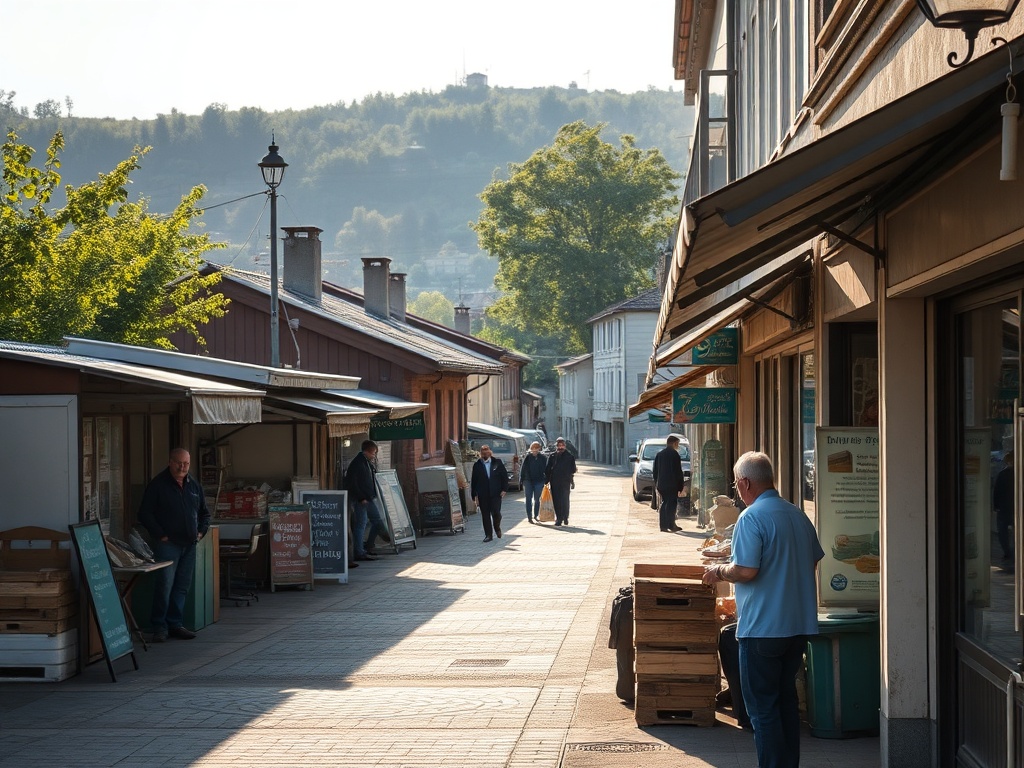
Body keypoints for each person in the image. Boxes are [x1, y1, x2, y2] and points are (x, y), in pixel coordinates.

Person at [703, 451, 824, 768]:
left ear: (744, 482)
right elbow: (812, 561)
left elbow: (745, 570)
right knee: (785, 702)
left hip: (762, 630)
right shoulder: (797, 514)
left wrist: (718, 572)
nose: (736, 490)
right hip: (798, 626)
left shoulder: (751, 517)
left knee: (763, 710)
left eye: (735, 483)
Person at [138, 447, 210, 642]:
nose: (182, 467)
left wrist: (201, 531)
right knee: (165, 585)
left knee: (181, 586)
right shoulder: (158, 485)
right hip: (168, 544)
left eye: (186, 463)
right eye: (179, 463)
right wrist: (160, 535)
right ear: (170, 462)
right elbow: (145, 513)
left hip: (190, 543)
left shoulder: (193, 484)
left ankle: (175, 624)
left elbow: (205, 512)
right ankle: (159, 626)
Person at [345, 440, 389, 562]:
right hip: (362, 499)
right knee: (362, 524)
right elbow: (352, 483)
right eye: (373, 453)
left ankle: (368, 545)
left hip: (368, 497)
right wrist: (361, 498)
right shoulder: (358, 463)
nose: (374, 455)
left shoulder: (366, 462)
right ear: (367, 451)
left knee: (375, 521)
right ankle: (359, 551)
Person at [471, 444, 509, 542]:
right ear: (481, 454)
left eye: (487, 452)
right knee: (485, 515)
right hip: (483, 494)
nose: (485, 454)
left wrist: (504, 489)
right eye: (483, 452)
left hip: (496, 493)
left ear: (490, 452)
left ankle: (497, 528)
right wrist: (474, 495)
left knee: (496, 513)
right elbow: (474, 480)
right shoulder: (477, 465)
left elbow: (504, 476)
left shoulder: (497, 462)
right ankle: (488, 535)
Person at [652, 435, 686, 532]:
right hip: (672, 484)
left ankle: (664, 525)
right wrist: (680, 486)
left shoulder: (660, 454)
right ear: (674, 443)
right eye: (677, 444)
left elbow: (655, 471)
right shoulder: (674, 454)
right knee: (671, 504)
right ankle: (671, 525)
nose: (678, 446)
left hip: (661, 484)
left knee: (665, 503)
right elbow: (678, 472)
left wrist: (656, 483)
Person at [545, 436, 577, 526]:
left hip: (565, 481)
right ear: (556, 446)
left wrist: (571, 481)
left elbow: (573, 470)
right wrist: (546, 480)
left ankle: (565, 517)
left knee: (565, 500)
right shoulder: (552, 456)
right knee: (556, 500)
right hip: (554, 481)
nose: (560, 447)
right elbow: (547, 469)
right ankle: (559, 518)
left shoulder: (569, 456)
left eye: (562, 445)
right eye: (559, 446)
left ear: (565, 446)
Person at [993, 450, 1015, 570]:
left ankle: (1007, 551)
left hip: (1003, 508)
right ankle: (1015, 550)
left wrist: (996, 506)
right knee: (1016, 530)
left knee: (1002, 532)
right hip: (1014, 509)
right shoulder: (1018, 473)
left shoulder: (1002, 474)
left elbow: (996, 491)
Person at [520, 441, 547, 523]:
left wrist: (546, 480)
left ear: (539, 449)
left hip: (539, 481)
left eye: (536, 448)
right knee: (528, 499)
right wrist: (522, 480)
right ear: (531, 449)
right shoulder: (528, 458)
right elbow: (523, 469)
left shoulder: (543, 458)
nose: (535, 450)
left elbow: (546, 469)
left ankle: (536, 515)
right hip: (528, 481)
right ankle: (529, 516)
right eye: (533, 448)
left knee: (537, 499)